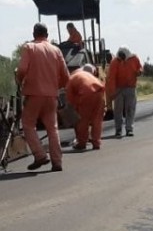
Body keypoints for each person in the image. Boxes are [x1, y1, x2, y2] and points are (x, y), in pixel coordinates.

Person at [15, 22, 70, 172]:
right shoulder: (56, 50)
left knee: (28, 124)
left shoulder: (30, 47)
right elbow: (66, 76)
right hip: (51, 95)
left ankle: (40, 155)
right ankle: (57, 162)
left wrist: (19, 81)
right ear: (47, 35)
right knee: (52, 128)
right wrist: (56, 87)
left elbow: (21, 69)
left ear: (34, 34)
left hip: (34, 93)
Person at [106, 45, 143, 138]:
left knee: (130, 109)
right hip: (119, 89)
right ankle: (118, 130)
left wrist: (139, 71)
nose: (122, 58)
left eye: (123, 56)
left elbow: (140, 68)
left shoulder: (134, 59)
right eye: (120, 56)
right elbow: (111, 78)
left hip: (131, 88)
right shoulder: (114, 62)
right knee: (118, 110)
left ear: (127, 55)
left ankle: (129, 129)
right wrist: (112, 91)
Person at [66, 64, 105, 151]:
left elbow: (69, 98)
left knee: (83, 120)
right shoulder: (88, 75)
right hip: (100, 92)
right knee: (97, 120)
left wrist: (73, 110)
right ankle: (96, 142)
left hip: (86, 93)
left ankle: (82, 143)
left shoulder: (71, 78)